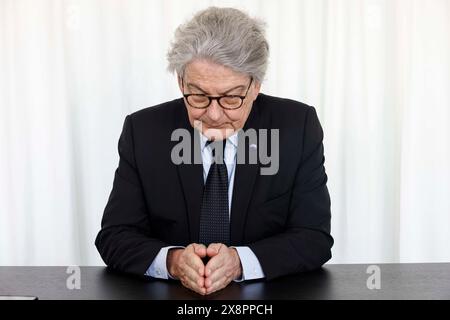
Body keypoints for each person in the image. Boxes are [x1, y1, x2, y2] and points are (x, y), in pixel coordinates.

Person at [95, 6, 333, 296]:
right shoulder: (143, 131)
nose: (214, 115)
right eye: (198, 96)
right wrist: (172, 261)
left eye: (232, 98)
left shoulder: (297, 127)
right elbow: (115, 236)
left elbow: (314, 238)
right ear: (181, 82)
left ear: (255, 86)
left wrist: (239, 263)